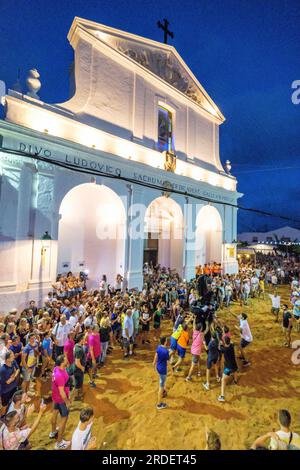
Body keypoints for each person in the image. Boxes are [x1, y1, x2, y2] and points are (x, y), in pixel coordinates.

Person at [50, 355, 71, 450]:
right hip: (61, 399)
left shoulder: (56, 368)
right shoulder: (60, 375)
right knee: (64, 419)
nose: (67, 359)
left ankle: (53, 432)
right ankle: (59, 443)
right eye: (65, 359)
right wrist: (67, 401)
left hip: (55, 397)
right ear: (62, 362)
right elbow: (62, 392)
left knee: (54, 413)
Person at [218, 336, 238, 402]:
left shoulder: (224, 349)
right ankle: (235, 381)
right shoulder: (232, 346)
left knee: (223, 380)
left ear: (224, 342)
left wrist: (220, 343)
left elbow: (219, 348)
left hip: (228, 367)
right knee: (235, 370)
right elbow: (232, 343)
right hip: (234, 364)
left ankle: (222, 396)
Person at [153, 336, 169, 410]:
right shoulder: (166, 351)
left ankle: (163, 391)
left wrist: (153, 364)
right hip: (163, 369)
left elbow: (156, 356)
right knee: (161, 385)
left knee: (161, 380)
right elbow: (168, 362)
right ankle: (159, 404)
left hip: (158, 367)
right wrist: (172, 370)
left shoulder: (159, 347)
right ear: (165, 342)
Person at [21, 333, 39, 399]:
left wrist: (36, 362)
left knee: (29, 379)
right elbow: (23, 360)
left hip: (32, 365)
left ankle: (27, 391)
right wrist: (27, 368)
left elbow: (36, 353)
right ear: (29, 339)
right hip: (27, 367)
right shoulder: (26, 348)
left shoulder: (36, 344)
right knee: (25, 380)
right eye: (31, 338)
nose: (33, 339)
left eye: (34, 338)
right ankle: (24, 393)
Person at [73, 333, 86, 401]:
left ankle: (78, 395)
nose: (85, 340)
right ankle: (75, 397)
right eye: (84, 339)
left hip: (77, 369)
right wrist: (82, 368)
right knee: (77, 384)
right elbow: (77, 362)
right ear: (81, 340)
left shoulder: (76, 346)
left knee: (78, 383)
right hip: (78, 369)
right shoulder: (79, 350)